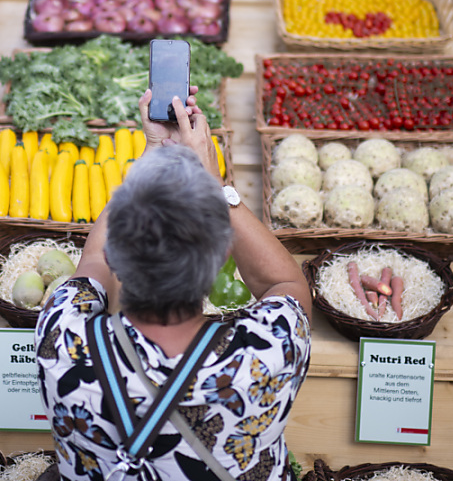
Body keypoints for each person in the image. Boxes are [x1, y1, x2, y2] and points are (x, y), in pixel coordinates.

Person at [35, 88, 312, 481]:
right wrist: (215, 184)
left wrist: (151, 158)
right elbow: (284, 281)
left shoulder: (61, 337)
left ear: (117, 255)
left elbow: (92, 261)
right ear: (222, 256)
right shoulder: (266, 353)